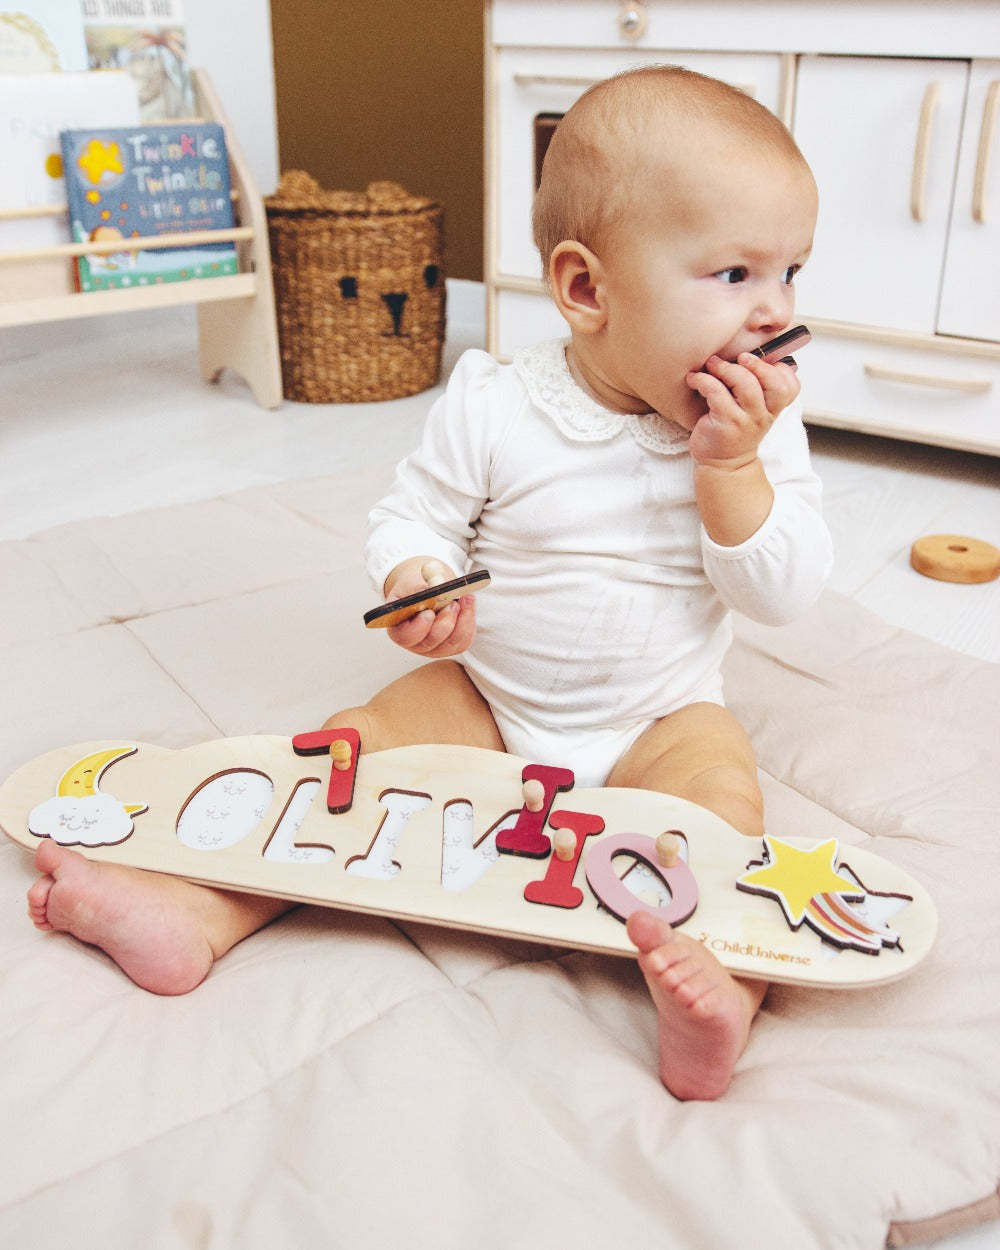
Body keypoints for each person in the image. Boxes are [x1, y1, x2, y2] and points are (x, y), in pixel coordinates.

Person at [27, 65, 832, 1102]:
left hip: (661, 715)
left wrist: (732, 471)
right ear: (588, 290)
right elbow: (415, 516)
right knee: (350, 756)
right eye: (734, 274)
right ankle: (197, 908)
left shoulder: (762, 433)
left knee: (723, 817)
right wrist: (418, 580)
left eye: (791, 273)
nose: (773, 312)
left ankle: (720, 993)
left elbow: (781, 593)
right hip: (488, 697)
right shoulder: (498, 404)